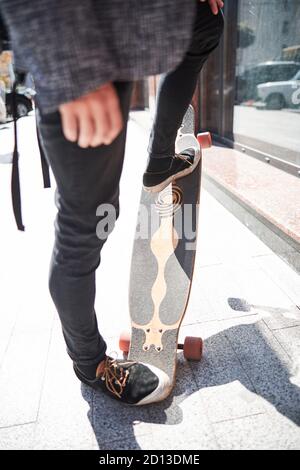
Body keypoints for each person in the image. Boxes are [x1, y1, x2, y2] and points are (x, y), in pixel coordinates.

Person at [1, 0, 224, 405]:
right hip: (79, 60)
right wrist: (71, 70)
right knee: (89, 224)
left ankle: (160, 157)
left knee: (207, 24)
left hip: (118, 36)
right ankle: (90, 364)